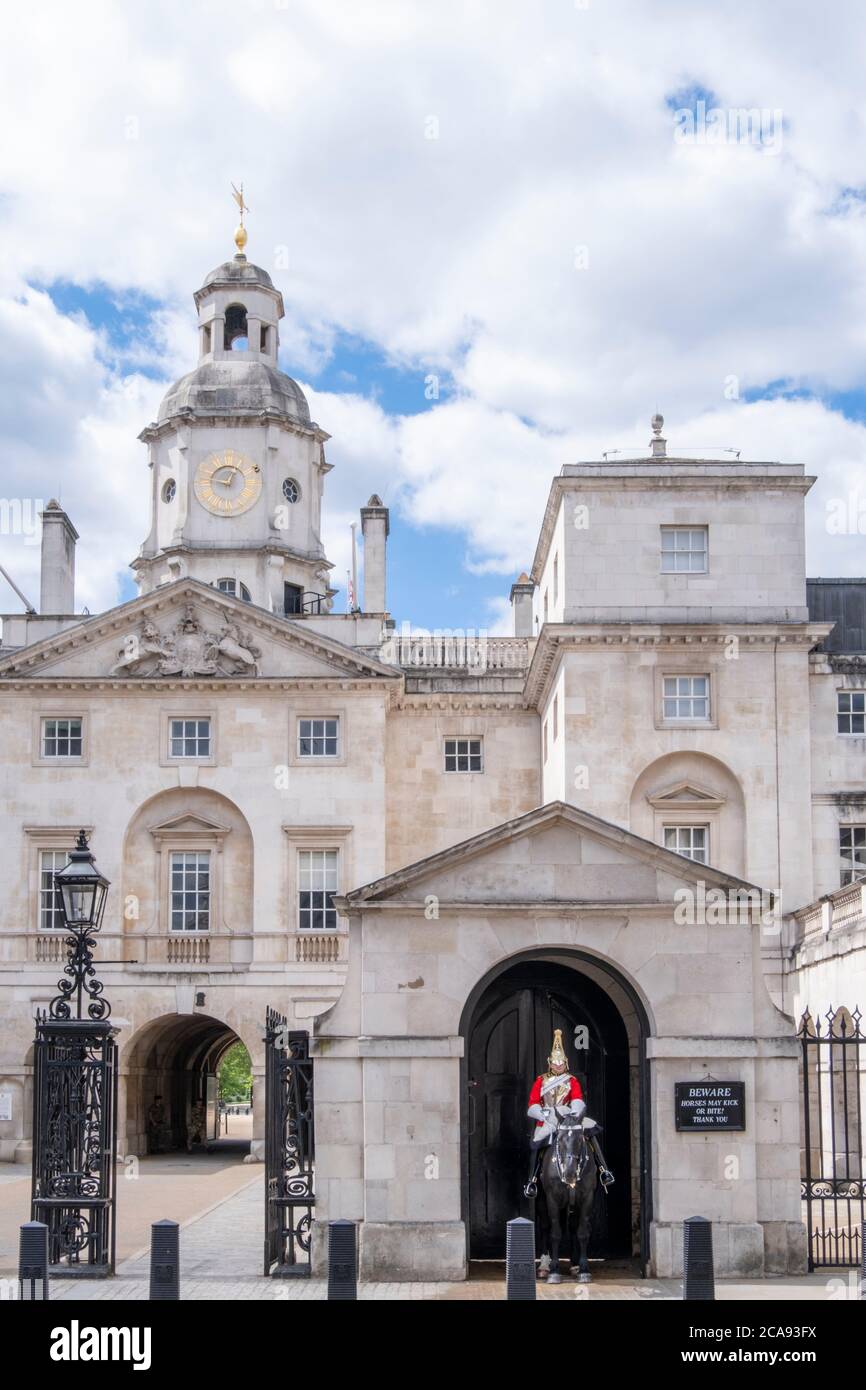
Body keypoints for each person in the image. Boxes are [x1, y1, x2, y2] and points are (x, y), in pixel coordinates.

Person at [523, 1029, 615, 1197]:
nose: (558, 1066)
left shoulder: (572, 1080)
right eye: (555, 1063)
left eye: (561, 1063)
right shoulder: (540, 1081)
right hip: (548, 1118)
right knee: (537, 1144)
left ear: (566, 1063)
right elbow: (533, 1103)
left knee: (591, 1131)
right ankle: (532, 1181)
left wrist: (574, 1113)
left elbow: (577, 1098)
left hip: (568, 1117)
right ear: (549, 1063)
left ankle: (604, 1170)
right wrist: (543, 1114)